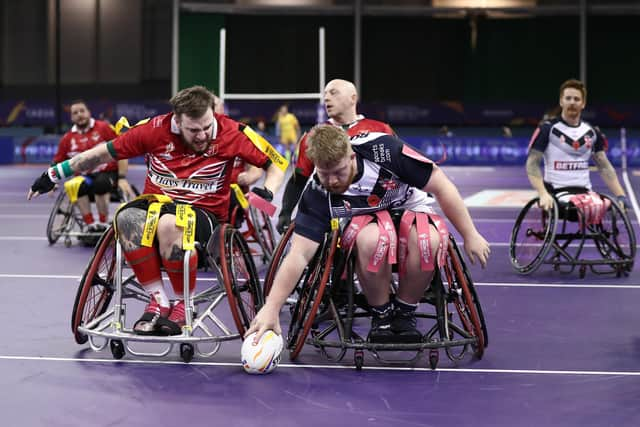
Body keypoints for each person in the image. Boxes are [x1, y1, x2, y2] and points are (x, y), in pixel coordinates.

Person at [29, 86, 284, 336]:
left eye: (207, 127)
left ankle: (185, 304)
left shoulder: (232, 131)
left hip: (204, 214)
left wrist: (268, 192)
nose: (203, 135)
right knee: (126, 217)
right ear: (176, 121)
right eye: (193, 130)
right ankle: (159, 301)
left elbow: (276, 164)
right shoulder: (153, 130)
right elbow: (99, 156)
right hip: (155, 205)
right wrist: (53, 174)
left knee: (169, 224)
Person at [246, 125, 490, 344]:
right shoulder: (317, 191)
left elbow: (441, 184)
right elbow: (298, 255)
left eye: (339, 172)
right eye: (324, 173)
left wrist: (470, 234)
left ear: (352, 156)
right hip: (364, 221)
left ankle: (405, 310)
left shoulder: (385, 151)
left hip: (408, 205)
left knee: (429, 239)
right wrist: (272, 307)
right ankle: (381, 313)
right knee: (374, 240)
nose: (332, 181)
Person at [276, 79, 395, 234]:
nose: (326, 98)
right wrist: (285, 212)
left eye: (333, 93)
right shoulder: (314, 135)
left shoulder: (381, 129)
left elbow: (403, 169)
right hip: (328, 210)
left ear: (353, 98)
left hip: (372, 209)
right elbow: (298, 179)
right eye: (325, 94)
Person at [526, 78, 630, 213]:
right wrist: (542, 193)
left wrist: (621, 195)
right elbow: (532, 164)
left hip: (586, 194)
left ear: (583, 104)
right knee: (586, 207)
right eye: (568, 98)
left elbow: (604, 167)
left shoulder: (591, 132)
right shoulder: (547, 129)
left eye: (576, 99)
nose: (572, 103)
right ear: (561, 101)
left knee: (611, 206)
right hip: (557, 194)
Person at [53, 100, 135, 232]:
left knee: (101, 182)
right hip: (85, 177)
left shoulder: (104, 128)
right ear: (72, 117)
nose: (79, 115)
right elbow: (57, 162)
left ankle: (102, 223)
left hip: (107, 174)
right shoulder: (67, 138)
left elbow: (121, 150)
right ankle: (89, 224)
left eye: (82, 111)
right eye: (75, 113)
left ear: (89, 113)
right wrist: (53, 181)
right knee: (74, 185)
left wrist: (122, 177)